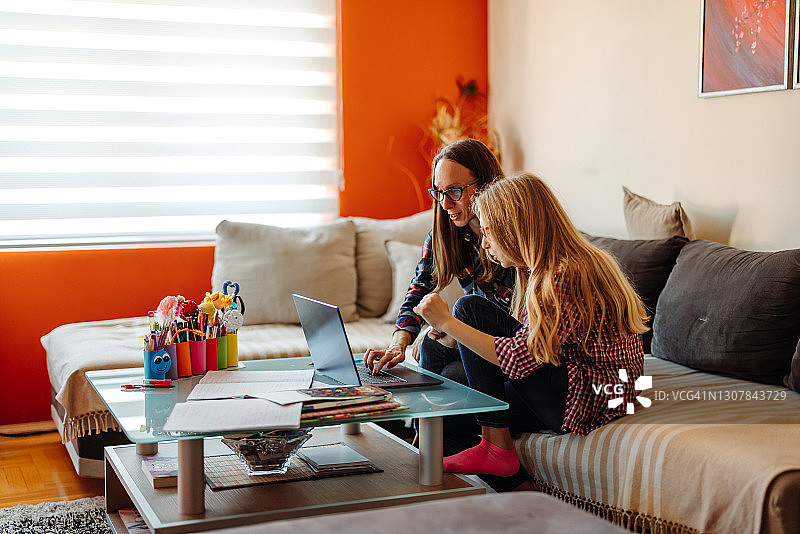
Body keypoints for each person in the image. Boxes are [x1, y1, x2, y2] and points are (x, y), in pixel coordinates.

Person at [412, 173, 648, 480]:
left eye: (488, 232)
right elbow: (536, 346)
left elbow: (521, 360)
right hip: (591, 385)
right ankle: (506, 477)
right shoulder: (562, 262)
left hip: (586, 399)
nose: (484, 244)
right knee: (452, 398)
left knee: (466, 310)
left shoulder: (561, 275)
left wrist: (447, 322)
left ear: (514, 228)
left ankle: (498, 453)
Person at [365, 139, 514, 384]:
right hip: (477, 333)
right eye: (439, 192)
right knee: (434, 353)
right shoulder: (446, 235)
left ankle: (430, 421)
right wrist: (398, 344)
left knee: (450, 369)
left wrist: (451, 327)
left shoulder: (512, 236)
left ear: (486, 184)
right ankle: (419, 422)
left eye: (454, 191)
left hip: (510, 345)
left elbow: (517, 316)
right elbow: (419, 289)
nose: (445, 204)